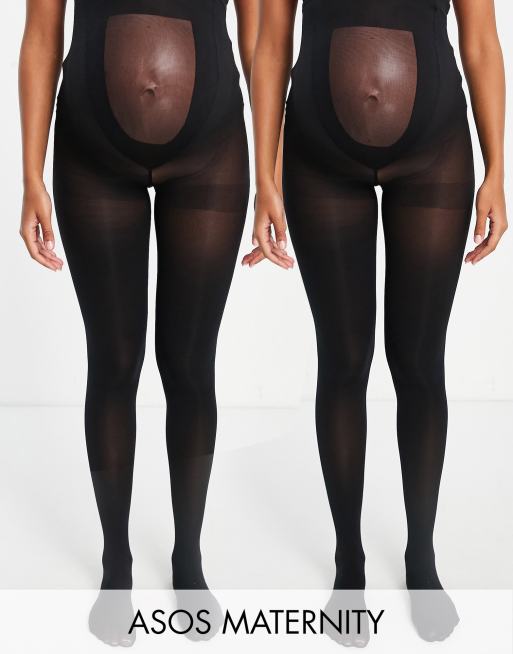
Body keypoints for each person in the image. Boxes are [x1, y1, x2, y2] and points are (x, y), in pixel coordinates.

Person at [244, 0, 507, 643]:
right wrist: (264, 175)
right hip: (319, 156)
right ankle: (348, 561)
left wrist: (498, 167)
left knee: (419, 364)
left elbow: (479, 40)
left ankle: (422, 558)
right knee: (342, 361)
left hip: (434, 152)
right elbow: (272, 42)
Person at [19, 0, 259, 644]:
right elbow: (41, 37)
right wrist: (30, 174)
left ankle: (188, 560)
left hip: (211, 150)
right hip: (92, 152)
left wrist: (272, 175)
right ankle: (116, 564)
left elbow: (261, 40)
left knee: (190, 366)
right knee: (114, 363)